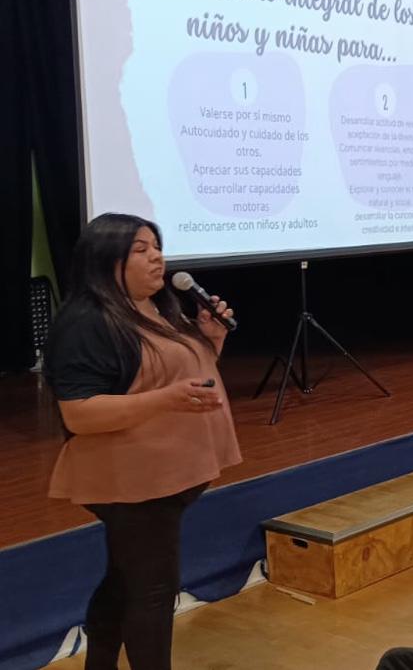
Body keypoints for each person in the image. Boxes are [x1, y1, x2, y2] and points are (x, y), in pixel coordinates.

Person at [45, 213, 242, 670]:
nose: (157, 257)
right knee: (153, 591)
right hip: (131, 479)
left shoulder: (158, 307)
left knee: (124, 580)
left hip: (168, 470)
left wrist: (210, 339)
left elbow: (186, 374)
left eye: (157, 246)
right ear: (106, 260)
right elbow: (79, 413)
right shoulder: (88, 322)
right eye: (141, 250)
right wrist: (166, 399)